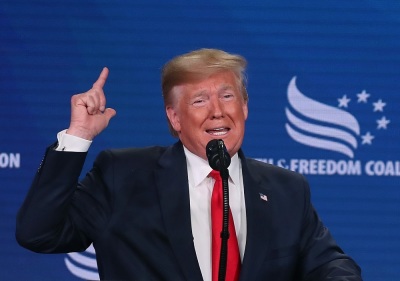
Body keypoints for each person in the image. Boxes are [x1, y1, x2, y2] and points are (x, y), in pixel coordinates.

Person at [16, 48, 362, 281]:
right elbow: (39, 233)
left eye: (227, 96)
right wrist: (78, 135)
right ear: (175, 118)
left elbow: (330, 263)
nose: (217, 111)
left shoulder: (286, 188)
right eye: (200, 100)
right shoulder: (122, 176)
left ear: (245, 107)